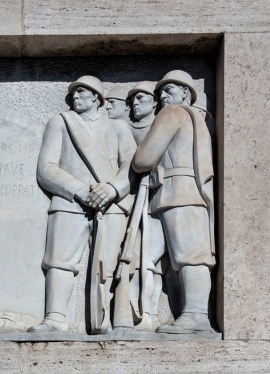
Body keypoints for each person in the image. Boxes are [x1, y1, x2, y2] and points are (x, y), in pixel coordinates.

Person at [29, 76, 136, 333]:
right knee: (58, 261)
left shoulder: (119, 128)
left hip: (110, 205)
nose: (75, 96)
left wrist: (111, 189)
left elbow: (132, 167)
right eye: (74, 93)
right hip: (69, 201)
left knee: (108, 265)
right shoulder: (61, 123)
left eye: (82, 92)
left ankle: (107, 319)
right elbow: (46, 168)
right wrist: (79, 190)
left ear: (96, 98)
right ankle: (54, 318)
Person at [132, 70, 215, 334]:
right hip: (180, 194)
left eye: (170, 90)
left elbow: (143, 159)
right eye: (161, 92)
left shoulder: (173, 113)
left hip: (178, 193)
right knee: (151, 257)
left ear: (186, 94)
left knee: (190, 256)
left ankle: (196, 316)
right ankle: (146, 315)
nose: (163, 96)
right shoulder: (197, 119)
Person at [116, 81, 165, 331]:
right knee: (134, 258)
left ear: (154, 102)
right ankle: (135, 310)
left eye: (141, 98)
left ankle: (148, 312)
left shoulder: (161, 125)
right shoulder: (125, 128)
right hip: (131, 203)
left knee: (151, 258)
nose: (135, 103)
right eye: (132, 99)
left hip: (157, 202)